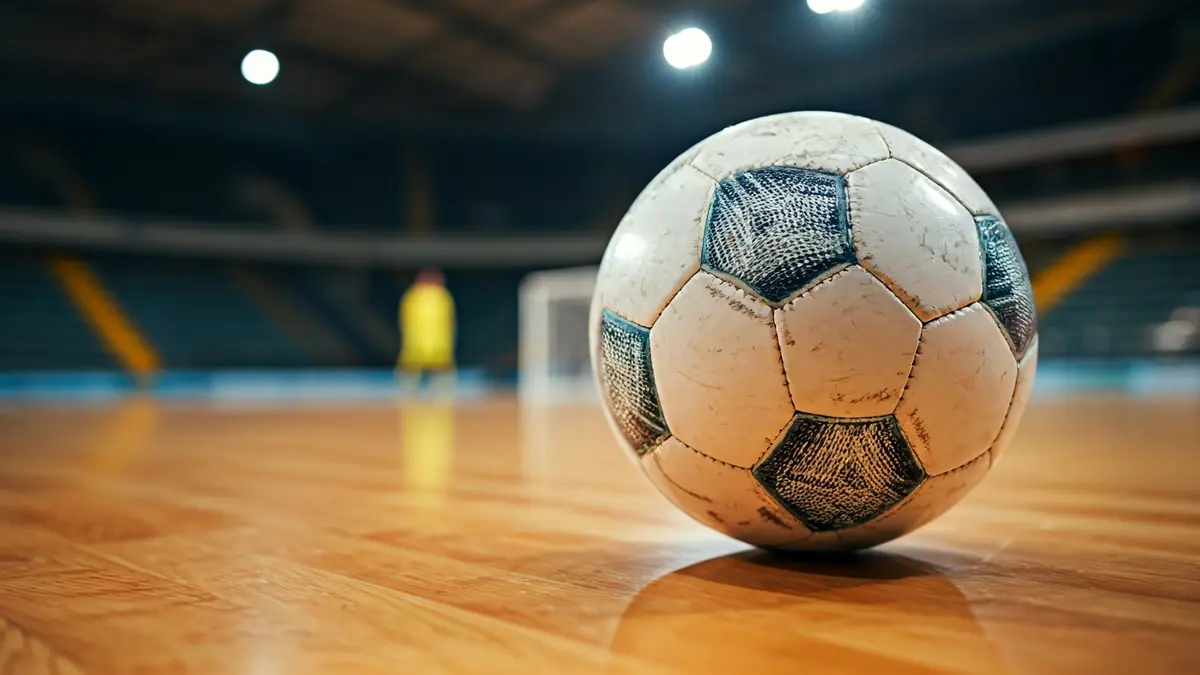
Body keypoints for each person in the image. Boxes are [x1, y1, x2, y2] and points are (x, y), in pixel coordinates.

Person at [397, 268, 455, 393]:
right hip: (438, 353)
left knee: (407, 394)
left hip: (414, 353)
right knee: (443, 394)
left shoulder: (411, 296)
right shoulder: (442, 296)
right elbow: (449, 324)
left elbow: (403, 322)